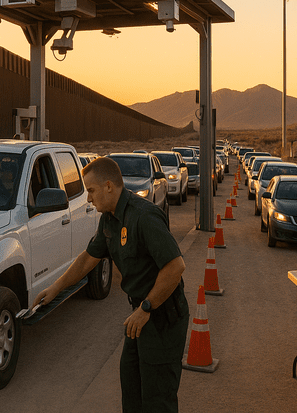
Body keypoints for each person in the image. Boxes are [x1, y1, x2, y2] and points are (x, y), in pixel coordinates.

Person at [35, 157, 188, 413]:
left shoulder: (144, 216)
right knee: (131, 390)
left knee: (157, 399)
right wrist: (55, 288)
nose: (88, 199)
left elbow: (175, 267)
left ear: (108, 186)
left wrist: (146, 308)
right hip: (139, 317)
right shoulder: (109, 218)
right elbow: (87, 259)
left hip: (161, 317)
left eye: (91, 191)